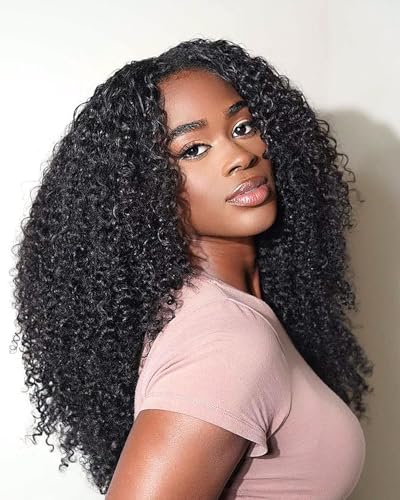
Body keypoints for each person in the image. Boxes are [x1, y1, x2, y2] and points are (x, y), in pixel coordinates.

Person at [11, 38, 374, 499]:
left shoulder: (228, 312)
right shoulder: (225, 340)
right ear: (143, 191)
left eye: (243, 126)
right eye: (194, 149)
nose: (240, 156)